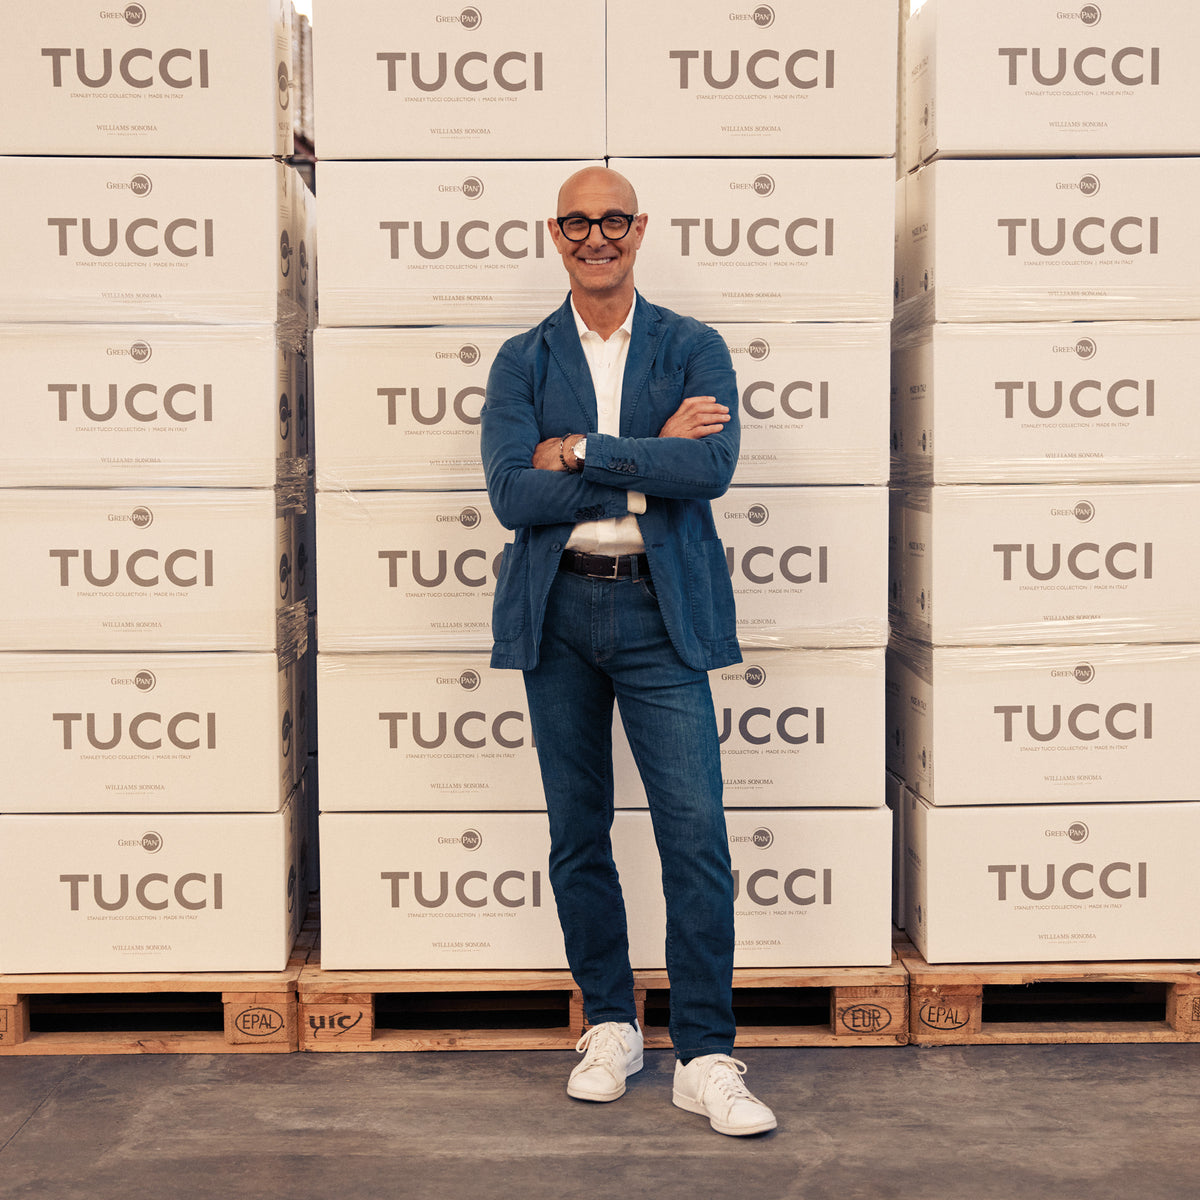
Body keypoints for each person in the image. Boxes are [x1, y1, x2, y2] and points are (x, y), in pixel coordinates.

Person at [480, 166, 776, 1137]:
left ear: (639, 229)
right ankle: (610, 1024)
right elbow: (513, 496)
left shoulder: (693, 345)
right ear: (555, 234)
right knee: (579, 833)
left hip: (660, 610)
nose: (596, 236)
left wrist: (581, 450)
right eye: (578, 222)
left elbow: (712, 468)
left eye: (613, 220)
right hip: (558, 609)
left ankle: (705, 1053)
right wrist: (649, 458)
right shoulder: (522, 360)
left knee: (695, 834)